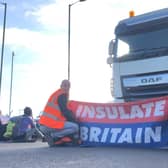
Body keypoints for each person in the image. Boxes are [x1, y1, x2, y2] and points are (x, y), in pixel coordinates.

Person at [39, 79, 79, 147]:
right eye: (65, 85)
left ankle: (53, 138)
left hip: (44, 124)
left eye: (68, 86)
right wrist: (75, 120)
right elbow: (65, 111)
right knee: (75, 127)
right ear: (61, 86)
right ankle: (53, 136)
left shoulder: (56, 94)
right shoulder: (62, 94)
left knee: (69, 125)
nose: (66, 88)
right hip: (50, 124)